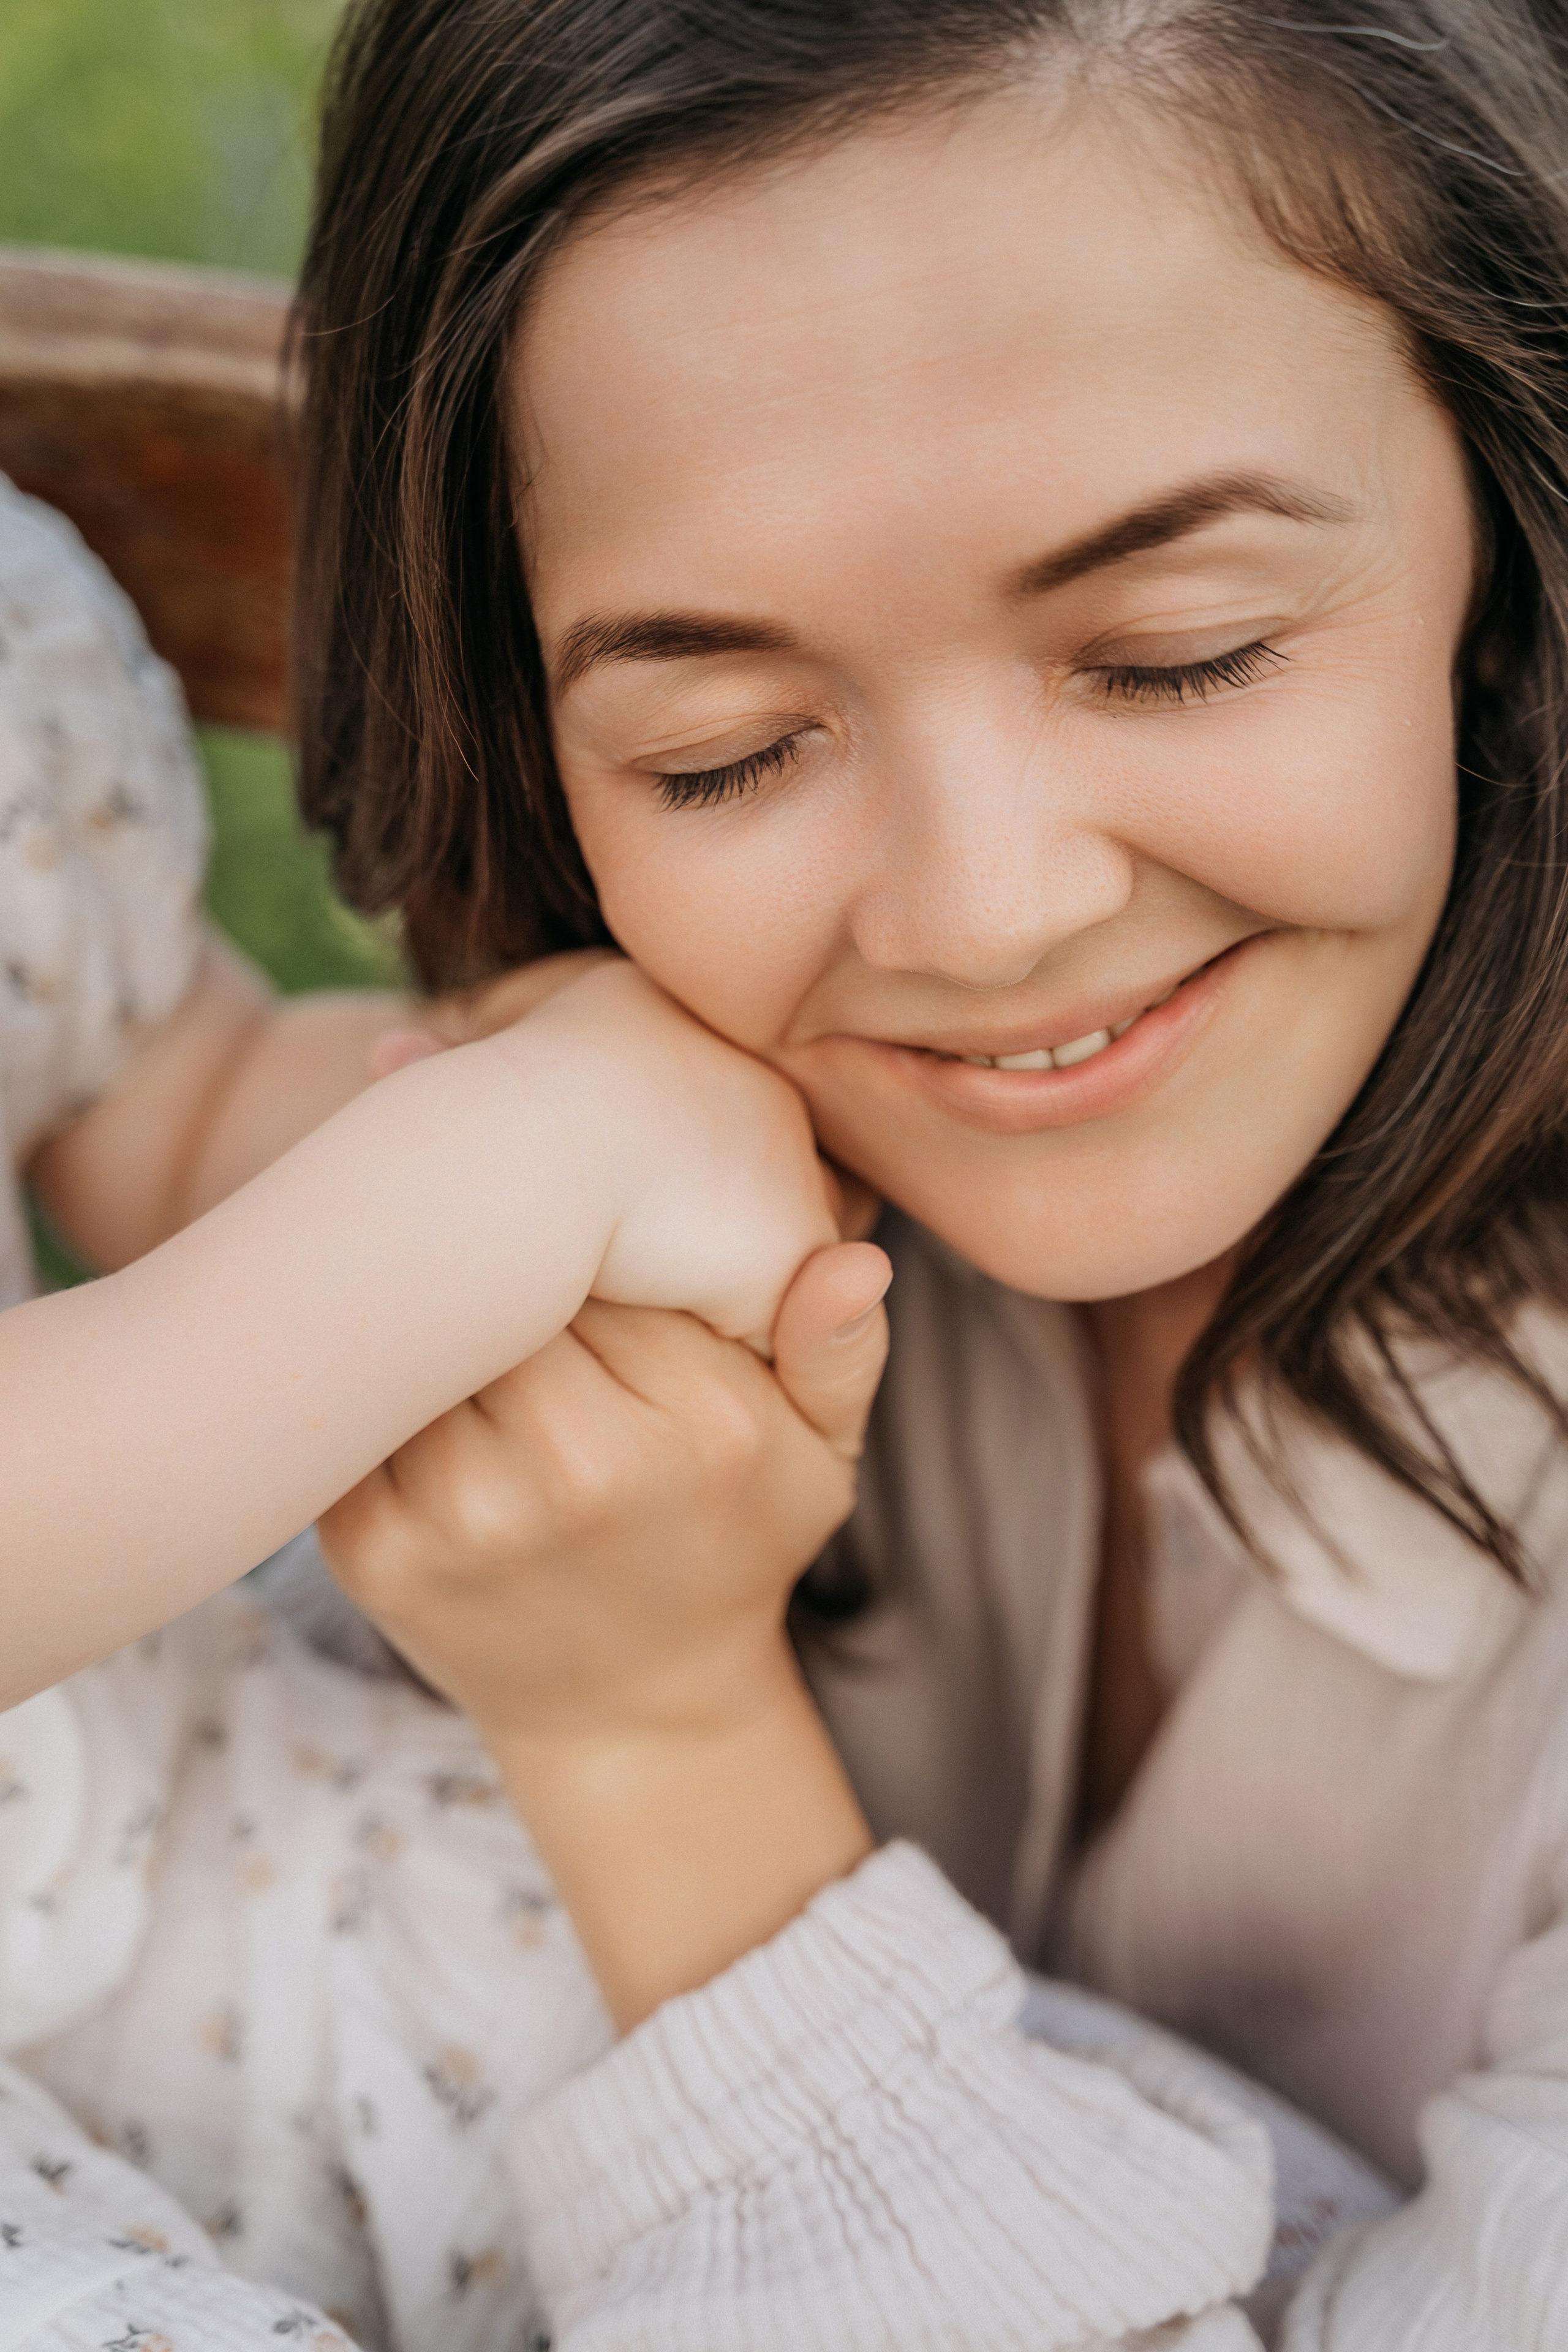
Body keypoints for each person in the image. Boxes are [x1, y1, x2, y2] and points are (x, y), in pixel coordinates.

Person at [7, 0, 1568, 2344]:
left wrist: (656, 1740)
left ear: (1515, 533)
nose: (983, 912)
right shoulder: (670, 1122)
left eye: (1179, 653)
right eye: (724, 752)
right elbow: (233, 1136)